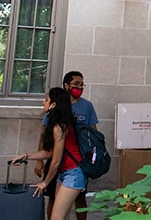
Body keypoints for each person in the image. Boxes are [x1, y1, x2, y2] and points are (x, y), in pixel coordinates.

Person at [12, 87, 86, 220]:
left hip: (73, 174)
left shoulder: (60, 127)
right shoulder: (58, 124)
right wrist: (26, 156)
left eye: (46, 100)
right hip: (65, 173)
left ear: (53, 105)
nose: (43, 103)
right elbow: (50, 153)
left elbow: (56, 161)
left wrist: (45, 182)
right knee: (62, 217)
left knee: (56, 217)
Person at [34, 71, 99, 220]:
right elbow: (44, 136)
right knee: (54, 199)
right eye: (76, 84)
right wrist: (38, 160)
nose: (80, 87)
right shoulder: (56, 106)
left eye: (82, 85)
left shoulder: (87, 106)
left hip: (75, 163)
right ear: (66, 85)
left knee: (79, 199)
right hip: (58, 162)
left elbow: (93, 134)